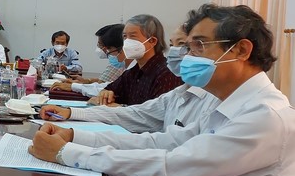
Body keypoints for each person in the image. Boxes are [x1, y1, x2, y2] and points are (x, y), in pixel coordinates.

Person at [30, 4, 295, 176]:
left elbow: (173, 164)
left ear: (241, 50)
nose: (188, 56)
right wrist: (74, 137)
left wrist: (66, 153)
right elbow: (162, 142)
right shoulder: (225, 102)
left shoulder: (265, 117)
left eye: (199, 45)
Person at [42, 26, 220, 132]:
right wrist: (71, 113)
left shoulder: (166, 74)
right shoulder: (179, 91)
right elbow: (139, 114)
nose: (178, 53)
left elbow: (153, 133)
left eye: (191, 46)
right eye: (174, 45)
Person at [93, 15, 181, 106]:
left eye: (133, 36)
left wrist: (120, 108)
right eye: (125, 36)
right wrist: (104, 95)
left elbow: (157, 111)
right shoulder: (132, 73)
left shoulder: (166, 73)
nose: (127, 42)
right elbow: (108, 92)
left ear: (152, 41)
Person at [51, 24, 127, 95]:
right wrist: (82, 83)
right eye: (57, 42)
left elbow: (105, 87)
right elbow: (106, 85)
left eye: (100, 45)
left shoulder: (120, 64)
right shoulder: (120, 62)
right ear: (52, 42)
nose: (103, 50)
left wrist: (75, 86)